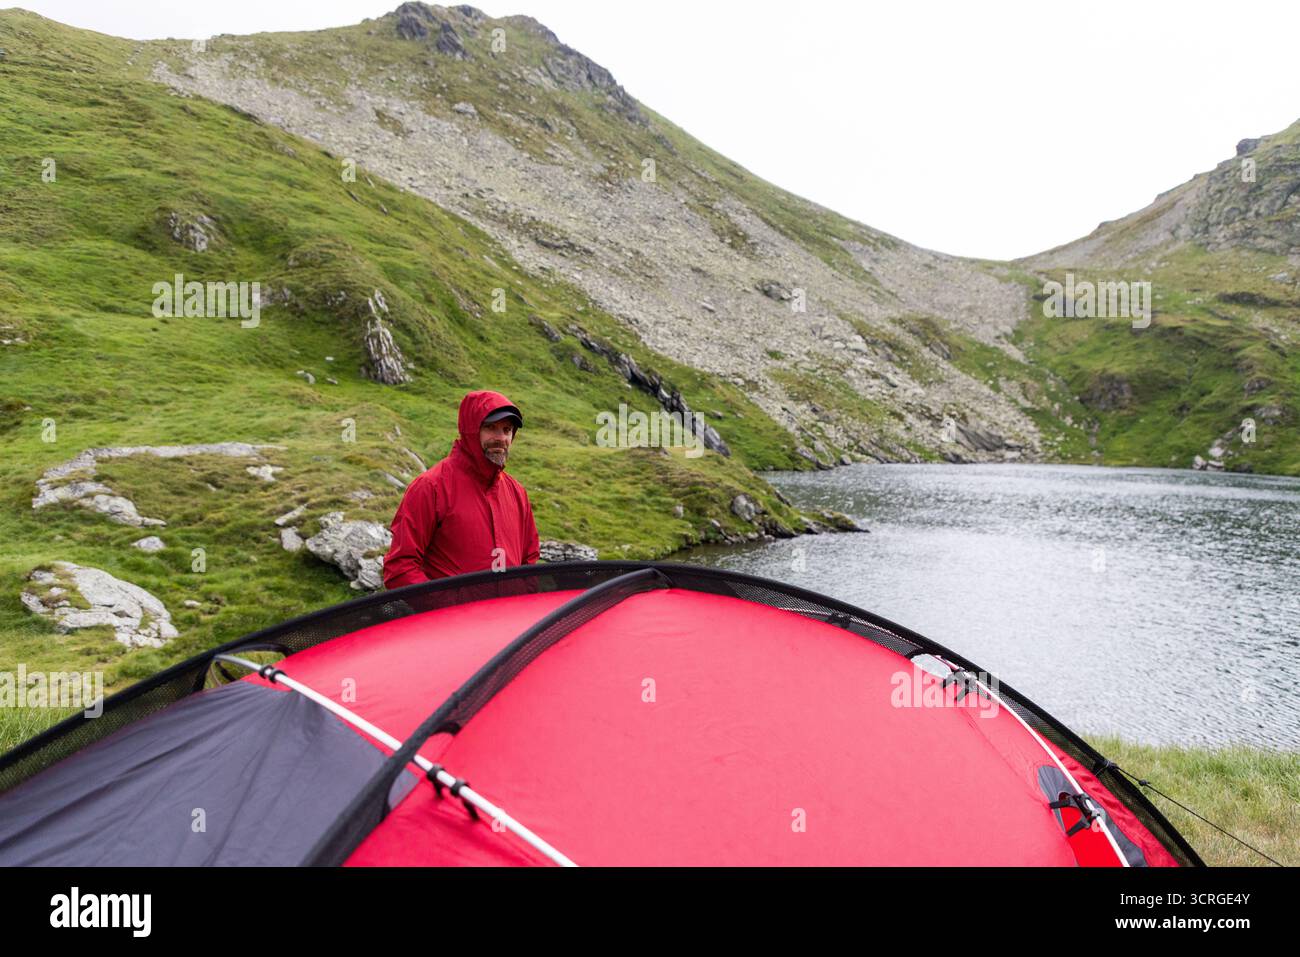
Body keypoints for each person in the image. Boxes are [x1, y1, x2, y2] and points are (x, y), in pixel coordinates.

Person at [382, 390, 540, 589]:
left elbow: (530, 560)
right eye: (491, 428)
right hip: (452, 619)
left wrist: (521, 603)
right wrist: (446, 609)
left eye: (507, 430)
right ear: (471, 430)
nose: (501, 438)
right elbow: (400, 568)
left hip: (510, 619)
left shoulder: (517, 493)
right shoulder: (431, 487)